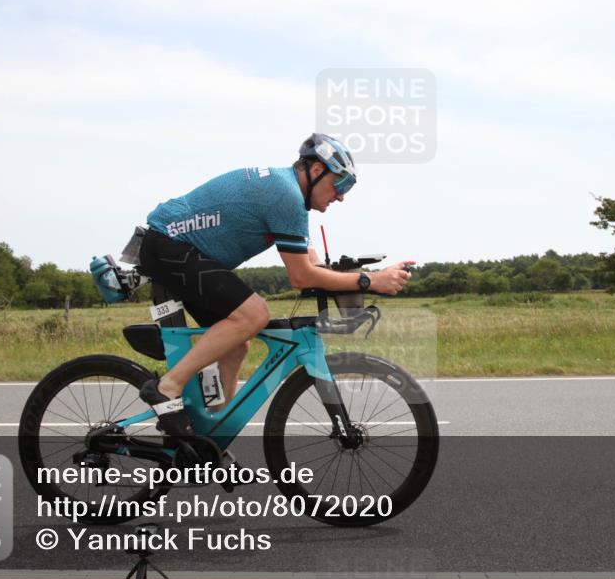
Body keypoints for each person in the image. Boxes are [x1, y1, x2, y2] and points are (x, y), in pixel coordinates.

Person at [137, 133, 414, 440]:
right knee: (254, 314)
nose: (341, 195)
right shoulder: (285, 195)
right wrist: (371, 281)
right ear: (317, 170)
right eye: (341, 183)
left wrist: (359, 279)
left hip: (182, 250)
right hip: (169, 245)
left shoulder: (290, 197)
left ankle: (209, 434)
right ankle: (167, 388)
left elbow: (313, 267)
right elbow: (302, 277)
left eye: (348, 188)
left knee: (236, 343)